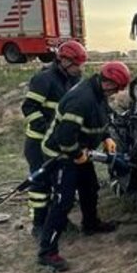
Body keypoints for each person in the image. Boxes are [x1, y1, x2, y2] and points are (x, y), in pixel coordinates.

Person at [36, 61, 133, 271]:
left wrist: (106, 137)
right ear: (107, 83)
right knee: (63, 201)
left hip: (79, 149)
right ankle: (47, 252)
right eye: (116, 89)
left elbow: (100, 116)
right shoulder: (81, 100)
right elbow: (65, 137)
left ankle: (90, 224)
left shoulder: (97, 92)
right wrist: (78, 154)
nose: (116, 93)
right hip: (61, 153)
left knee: (89, 187)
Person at [20, 40, 86, 239]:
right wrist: (47, 129)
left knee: (60, 183)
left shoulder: (75, 80)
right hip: (38, 142)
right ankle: (39, 224)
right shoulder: (44, 79)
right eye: (76, 65)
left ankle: (58, 221)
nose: (79, 69)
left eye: (81, 65)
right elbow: (29, 108)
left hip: (58, 143)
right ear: (63, 61)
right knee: (40, 184)